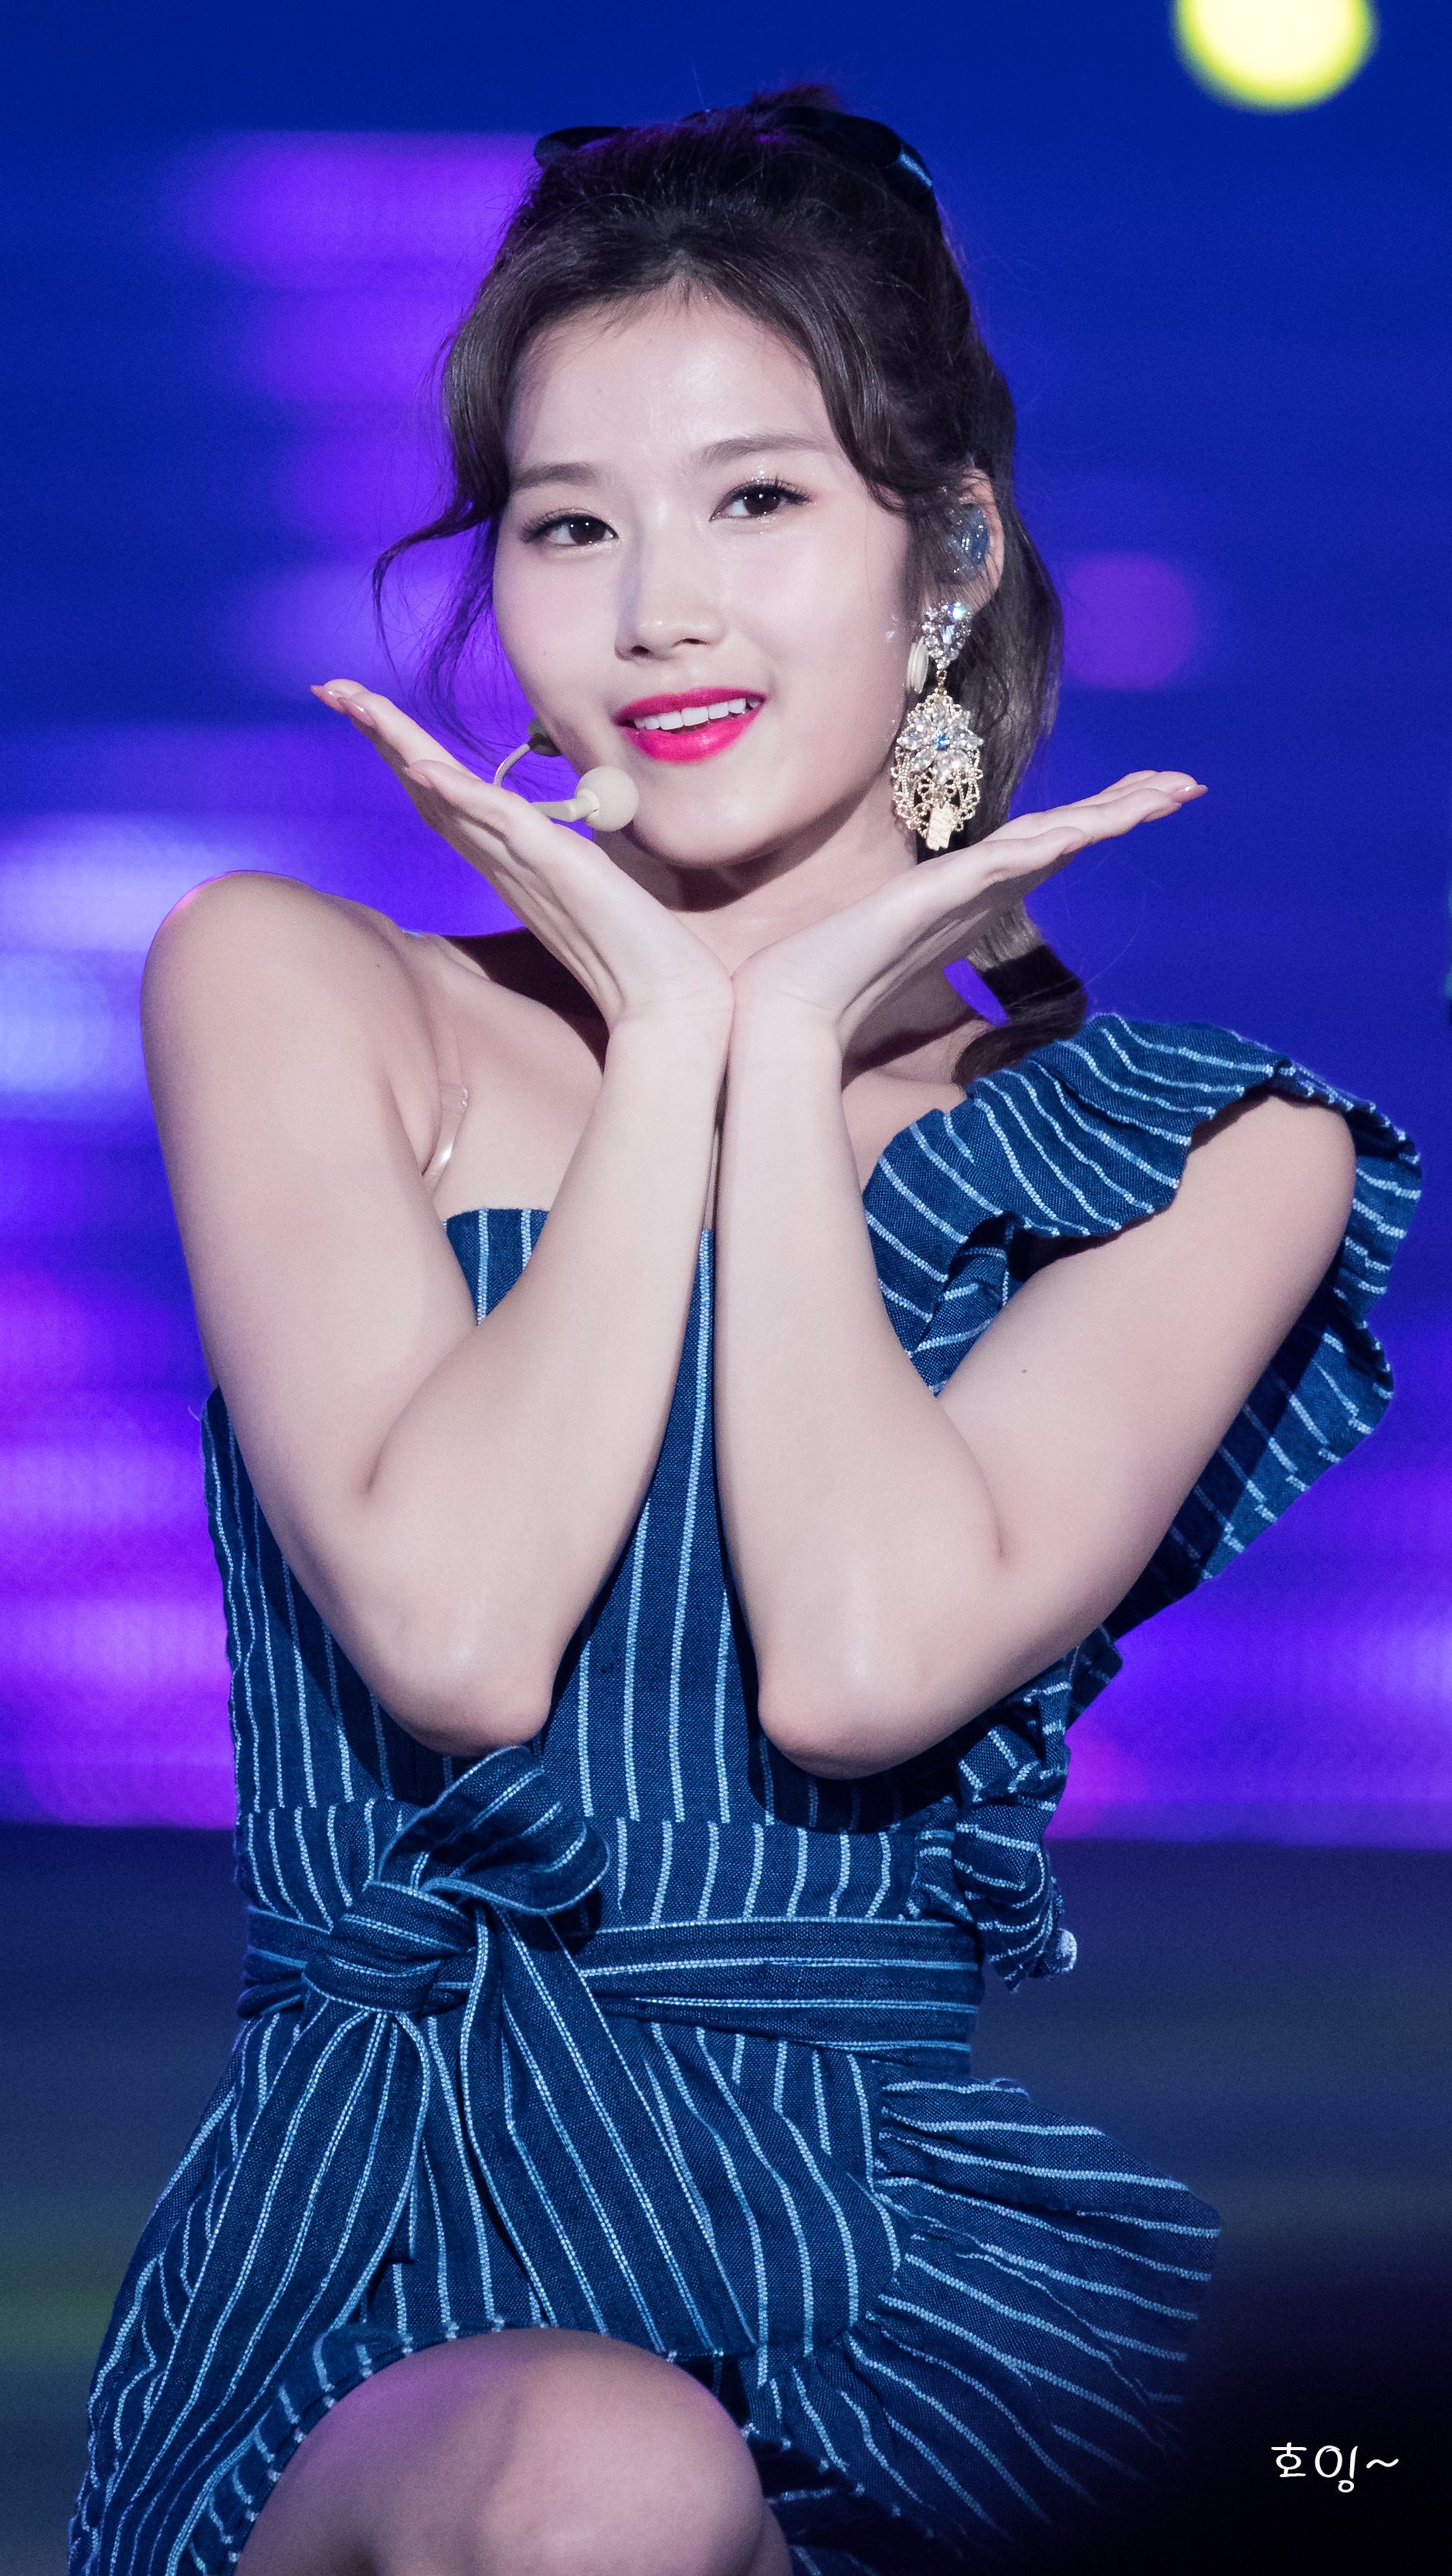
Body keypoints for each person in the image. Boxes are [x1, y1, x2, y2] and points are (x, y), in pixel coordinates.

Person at [73, 92, 1418, 2576]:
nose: (658, 609)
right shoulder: (299, 988)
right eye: (570, 524)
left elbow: (859, 1664)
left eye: (758, 499)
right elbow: (458, 1630)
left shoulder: (1217, 1158)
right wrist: (681, 1038)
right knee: (600, 2476)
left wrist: (787, 1052)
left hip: (882, 2287)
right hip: (381, 2286)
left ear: (952, 549)